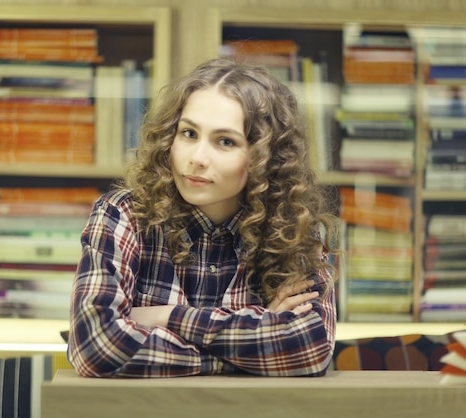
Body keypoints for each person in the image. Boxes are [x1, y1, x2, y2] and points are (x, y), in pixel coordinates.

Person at [68, 57, 340, 378]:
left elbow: (309, 347)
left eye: (225, 141)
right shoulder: (123, 214)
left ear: (266, 159)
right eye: (188, 133)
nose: (197, 158)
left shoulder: (294, 229)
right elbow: (95, 346)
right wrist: (246, 344)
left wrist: (166, 316)